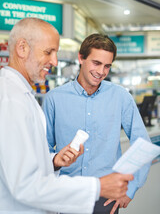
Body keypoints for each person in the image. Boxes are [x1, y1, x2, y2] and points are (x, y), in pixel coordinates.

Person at [0, 18, 133, 214]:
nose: (54, 61)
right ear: (22, 48)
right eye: (48, 52)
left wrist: (53, 160)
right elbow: (24, 185)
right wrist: (98, 187)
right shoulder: (11, 100)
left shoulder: (21, 95)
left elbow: (20, 161)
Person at [43, 33, 151, 214]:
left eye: (107, 66)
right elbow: (43, 148)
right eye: (96, 63)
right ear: (81, 58)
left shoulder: (121, 97)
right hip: (67, 193)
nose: (101, 71)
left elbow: (143, 144)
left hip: (105, 197)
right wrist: (55, 162)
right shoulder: (54, 98)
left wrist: (130, 190)